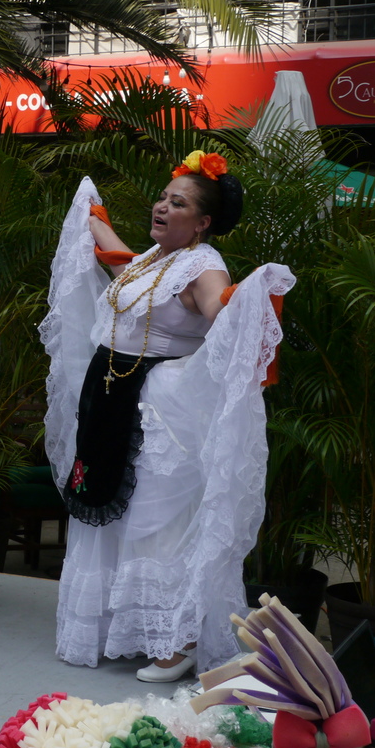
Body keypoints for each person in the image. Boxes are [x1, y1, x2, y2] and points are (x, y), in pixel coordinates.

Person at [41, 151, 294, 681]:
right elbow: (116, 257)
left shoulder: (204, 265)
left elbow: (215, 311)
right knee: (113, 511)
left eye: (176, 202)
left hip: (158, 408)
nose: (161, 206)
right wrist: (93, 215)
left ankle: (176, 642)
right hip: (111, 396)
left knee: (154, 520)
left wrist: (247, 298)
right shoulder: (152, 259)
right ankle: (123, 625)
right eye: (162, 196)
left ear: (201, 222)